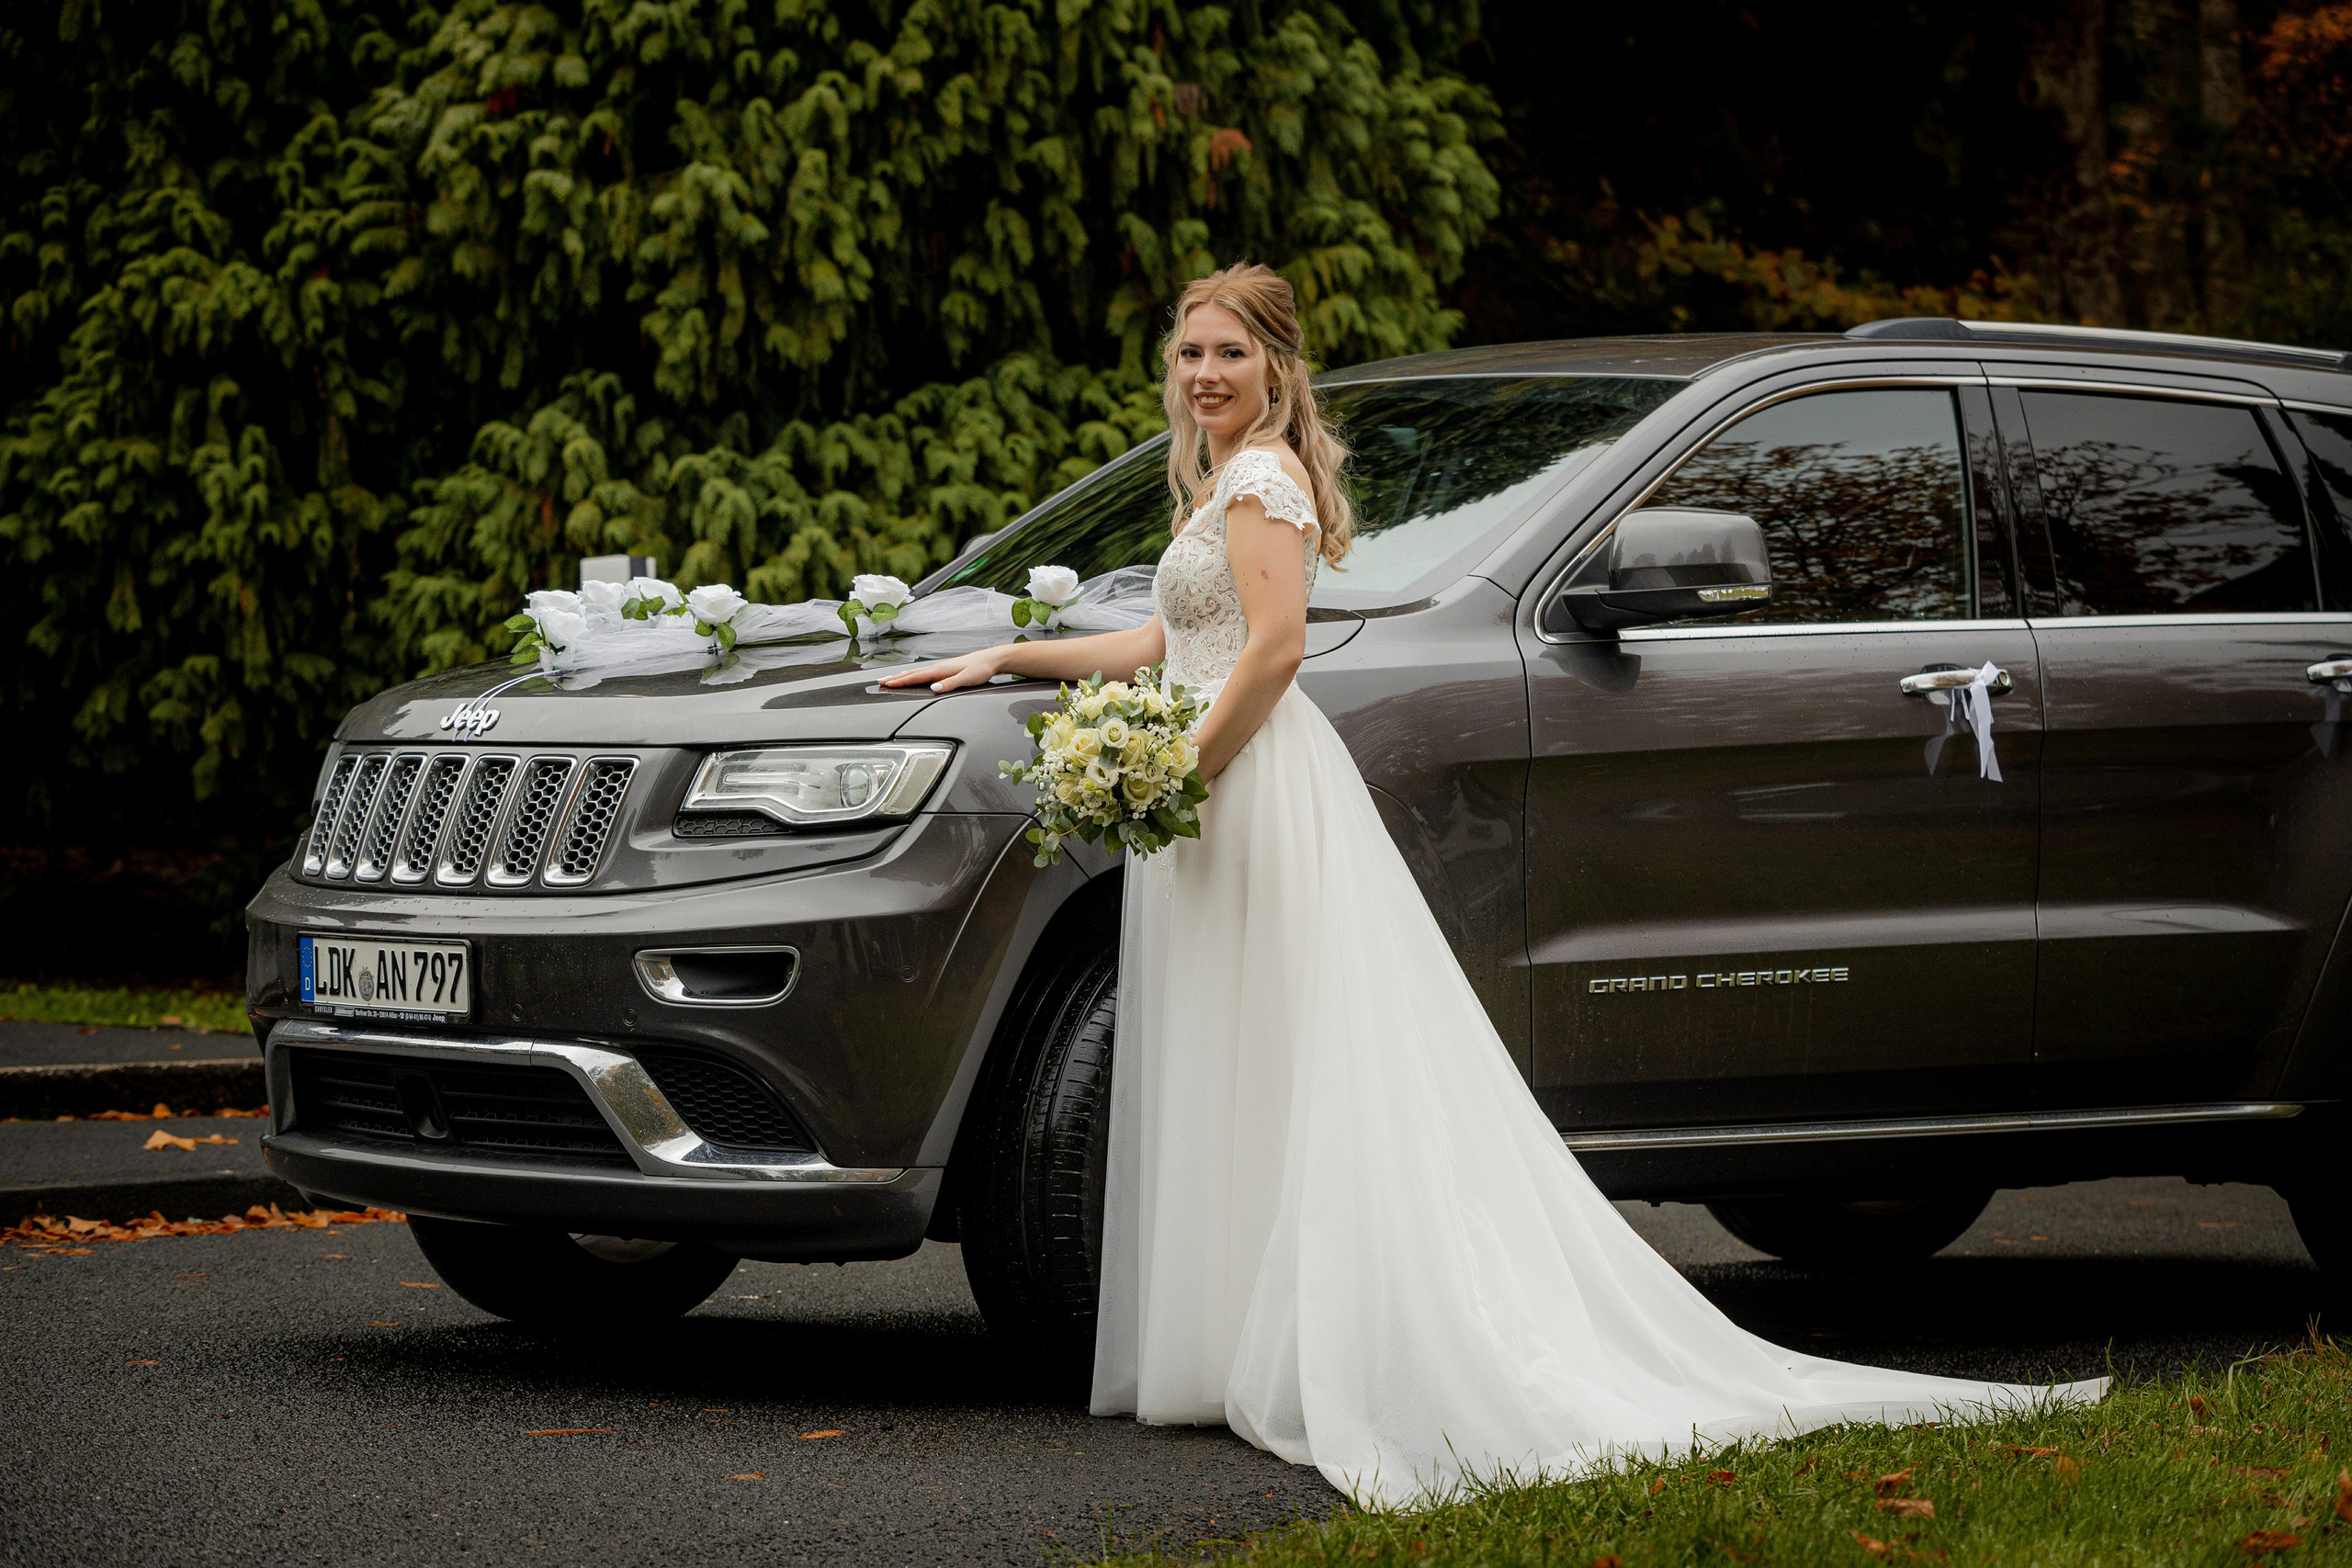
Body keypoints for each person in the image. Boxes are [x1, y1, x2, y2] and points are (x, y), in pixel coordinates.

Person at [879, 264, 2105, 1509]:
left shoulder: (1261, 480)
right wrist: (1008, 657)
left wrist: (1183, 767)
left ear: (1277, 368)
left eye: (1230, 354)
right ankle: (1233, 1340)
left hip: (1245, 783)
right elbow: (1168, 641)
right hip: (1213, 786)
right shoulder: (1218, 483)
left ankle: (1325, 1341)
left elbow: (1276, 651)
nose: (1205, 374)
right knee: (1234, 1052)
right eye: (1190, 352)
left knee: (1288, 1052)